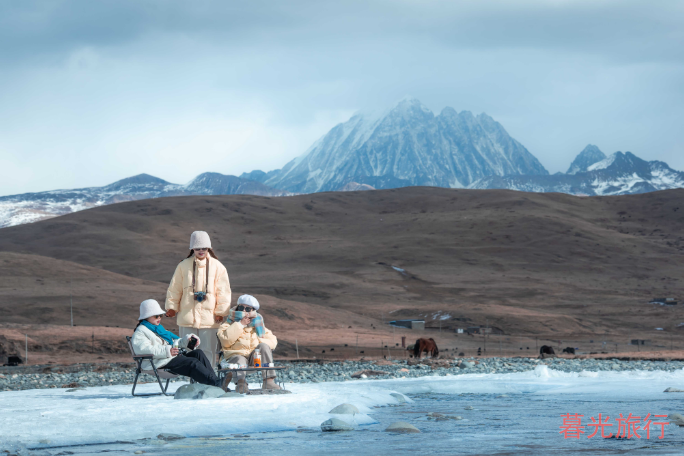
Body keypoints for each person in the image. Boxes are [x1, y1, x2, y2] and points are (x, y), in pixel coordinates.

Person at [165, 231, 231, 369]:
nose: (201, 251)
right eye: (197, 248)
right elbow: (175, 288)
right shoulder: (183, 266)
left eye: (204, 248)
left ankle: (209, 380)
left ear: (209, 248)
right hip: (187, 317)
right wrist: (172, 307)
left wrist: (221, 311)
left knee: (208, 351)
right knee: (189, 351)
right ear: (192, 249)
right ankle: (193, 380)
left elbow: (223, 291)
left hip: (210, 319)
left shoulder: (218, 266)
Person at [131, 299, 229, 390]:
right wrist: (167, 351)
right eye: (156, 316)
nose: (159, 318)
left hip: (168, 357)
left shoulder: (158, 329)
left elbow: (175, 343)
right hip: (158, 362)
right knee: (192, 363)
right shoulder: (140, 332)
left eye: (160, 315)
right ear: (146, 316)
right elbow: (145, 349)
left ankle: (216, 383)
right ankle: (217, 384)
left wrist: (187, 341)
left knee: (198, 353)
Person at [217, 295, 279, 393]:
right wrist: (240, 324)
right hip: (235, 358)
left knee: (263, 346)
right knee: (239, 359)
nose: (244, 311)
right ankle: (241, 383)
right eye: (241, 308)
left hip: (254, 359)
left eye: (248, 308)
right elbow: (226, 341)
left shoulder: (259, 326)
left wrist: (259, 340)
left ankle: (268, 380)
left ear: (253, 311)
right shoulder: (227, 324)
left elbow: (273, 341)